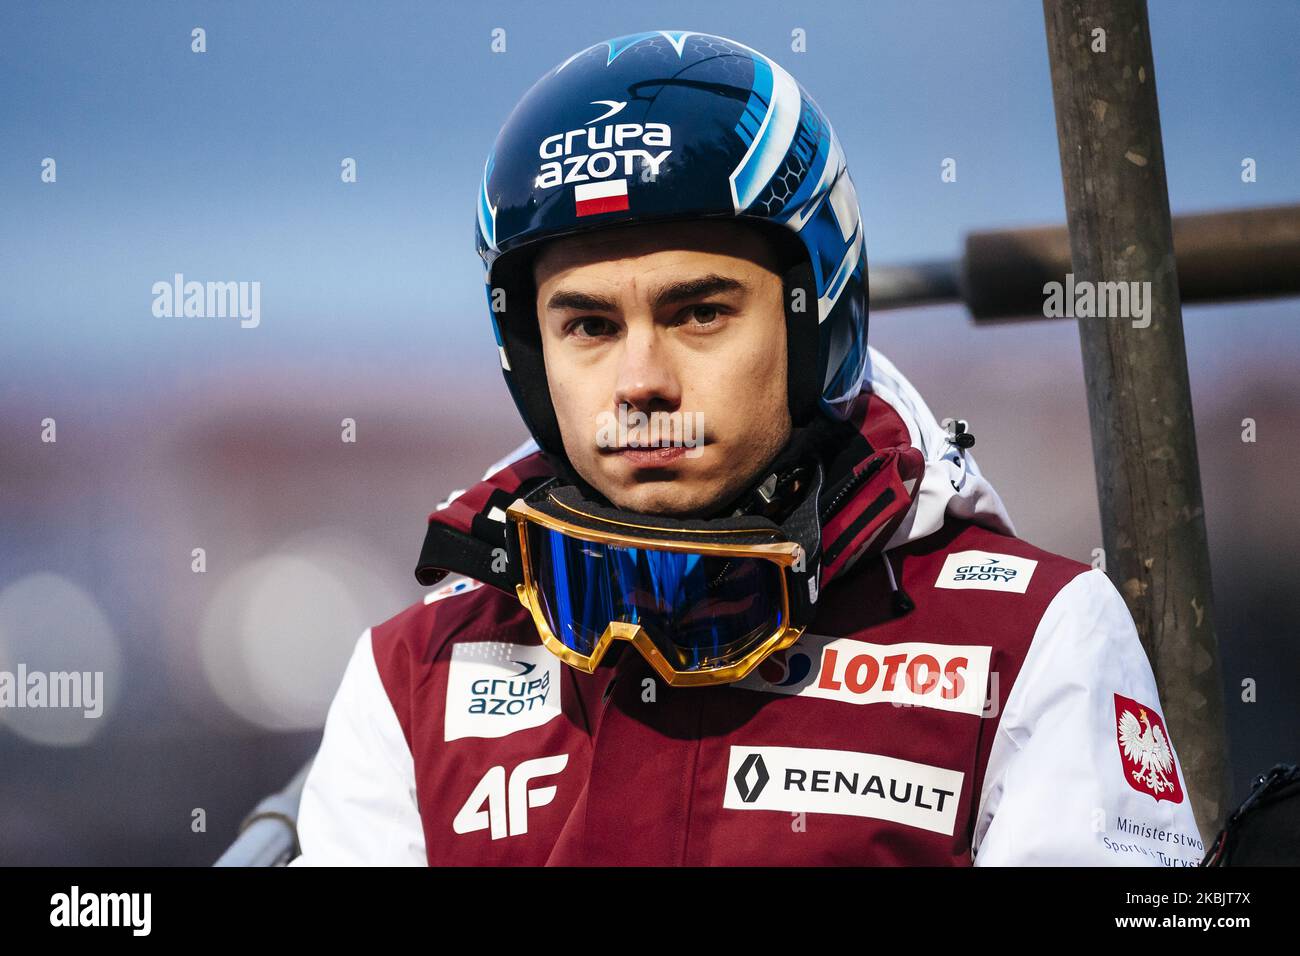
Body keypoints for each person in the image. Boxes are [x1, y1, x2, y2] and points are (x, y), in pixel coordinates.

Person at [292, 30, 1204, 866]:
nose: (641, 379)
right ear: (531, 358)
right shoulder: (415, 676)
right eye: (589, 326)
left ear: (818, 321)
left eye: (699, 313)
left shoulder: (1034, 637)